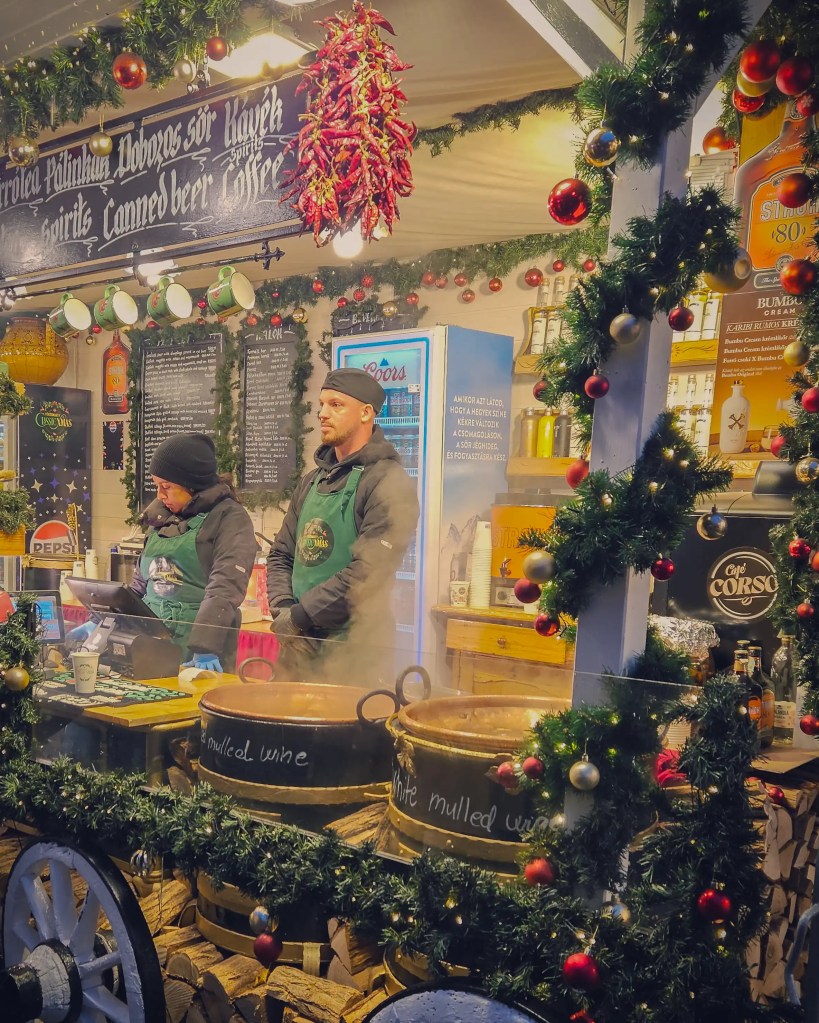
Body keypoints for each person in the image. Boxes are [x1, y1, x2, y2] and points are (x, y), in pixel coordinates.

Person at [267, 368, 420, 682]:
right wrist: (284, 610)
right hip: (297, 647)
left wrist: (300, 616)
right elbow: (281, 555)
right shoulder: (311, 481)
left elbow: (368, 572)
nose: (323, 413)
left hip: (354, 651)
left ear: (366, 413)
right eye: (321, 404)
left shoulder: (387, 482)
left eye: (336, 405)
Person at [69, 432, 257, 673]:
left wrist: (204, 647)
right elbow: (138, 587)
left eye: (166, 487)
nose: (160, 495)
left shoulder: (229, 518)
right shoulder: (161, 519)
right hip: (148, 647)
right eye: (157, 485)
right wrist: (100, 621)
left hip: (197, 652)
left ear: (192, 484)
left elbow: (226, 586)